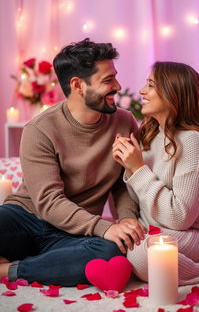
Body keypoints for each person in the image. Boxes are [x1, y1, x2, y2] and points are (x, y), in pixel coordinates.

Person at [0, 38, 145, 286]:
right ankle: (51, 263)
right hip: (26, 217)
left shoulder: (125, 122)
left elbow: (122, 181)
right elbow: (48, 202)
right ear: (78, 85)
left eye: (115, 77)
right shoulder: (39, 129)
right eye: (108, 80)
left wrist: (127, 217)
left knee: (109, 252)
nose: (118, 86)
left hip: (73, 233)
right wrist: (103, 227)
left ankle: (10, 270)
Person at [112, 61, 199, 285]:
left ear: (173, 94)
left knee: (140, 252)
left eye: (151, 85)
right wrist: (127, 166)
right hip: (154, 231)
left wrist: (138, 168)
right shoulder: (151, 135)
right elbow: (142, 203)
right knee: (117, 240)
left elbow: (179, 218)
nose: (142, 91)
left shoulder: (194, 141)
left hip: (194, 236)